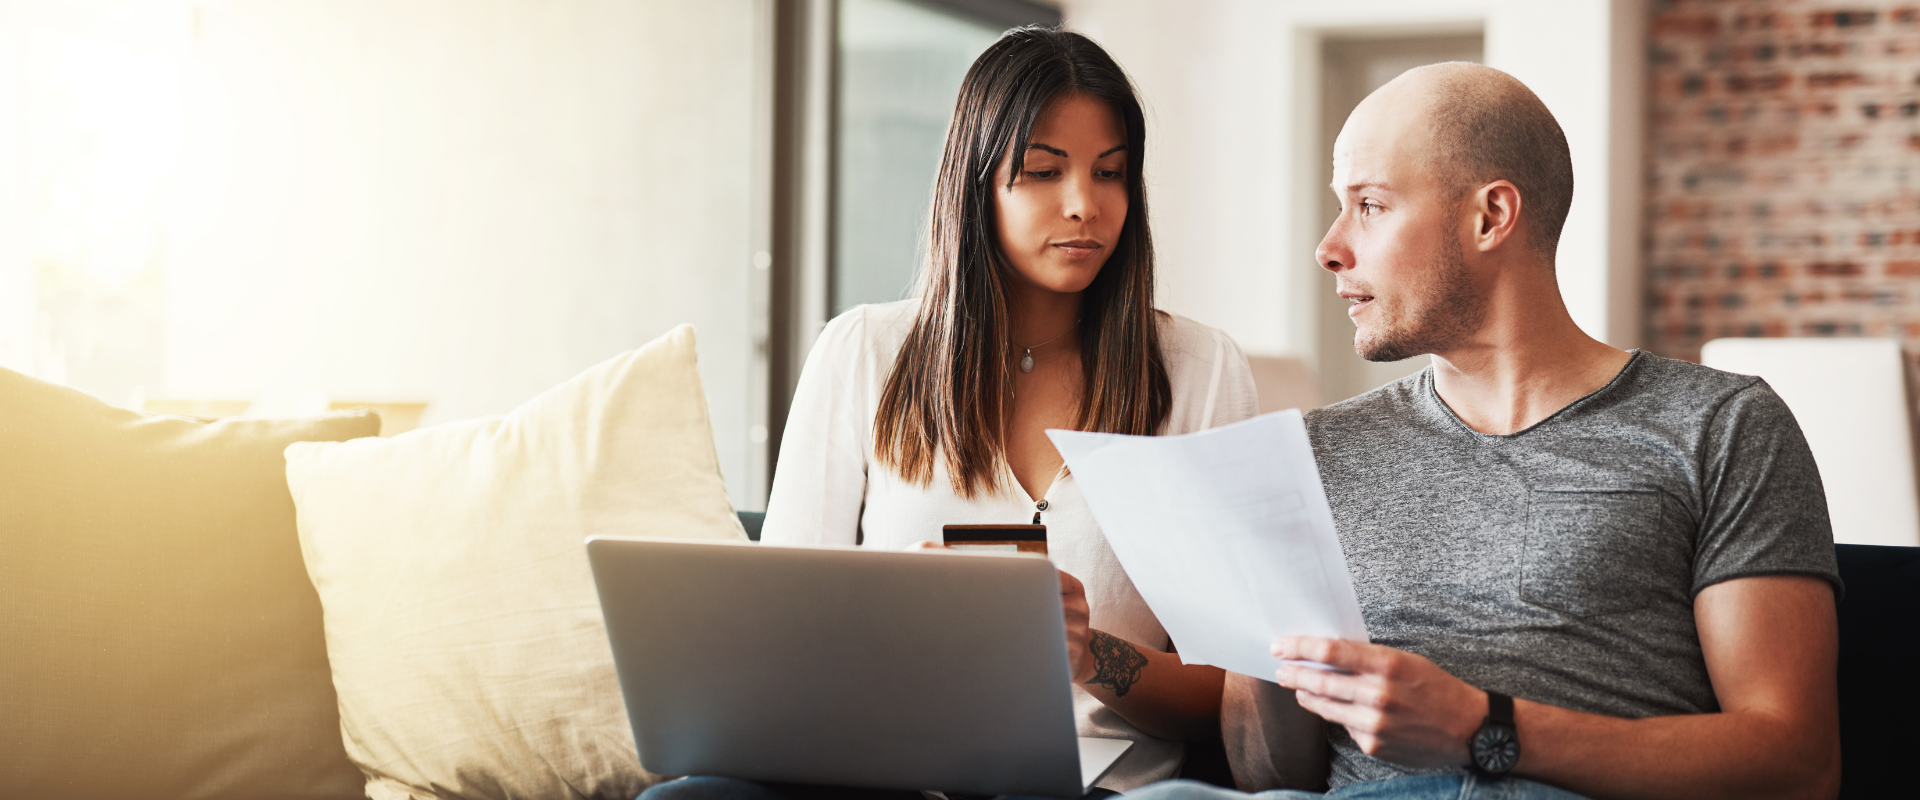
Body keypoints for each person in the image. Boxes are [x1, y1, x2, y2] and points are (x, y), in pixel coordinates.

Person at [1131, 63, 1843, 800]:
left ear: (1491, 216)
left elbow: (1798, 765)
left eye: (1370, 205)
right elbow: (1270, 778)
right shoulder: (1315, 455)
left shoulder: (1721, 427)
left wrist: (1482, 728)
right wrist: (1264, 634)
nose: (1331, 247)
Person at [639, 27, 1262, 800]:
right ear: (975, 182)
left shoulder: (1201, 371)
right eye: (1042, 172)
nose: (1084, 205)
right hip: (881, 775)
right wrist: (899, 626)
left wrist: (1087, 652)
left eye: (1111, 173)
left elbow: (1238, 702)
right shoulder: (863, 351)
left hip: (1095, 784)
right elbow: (781, 646)